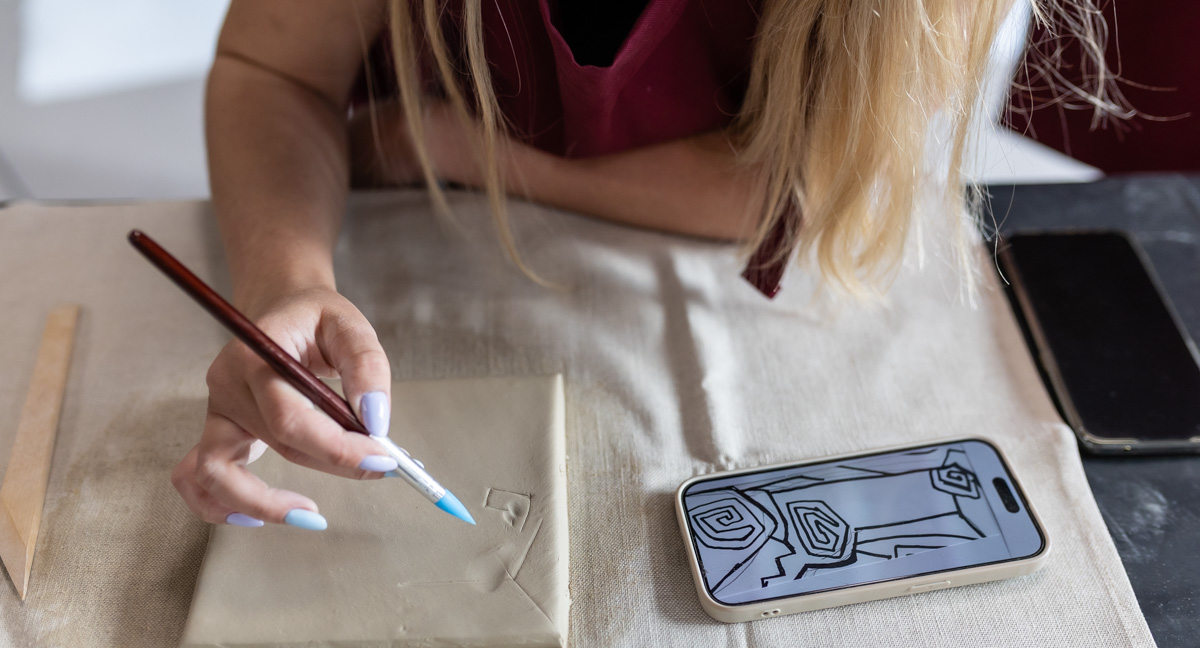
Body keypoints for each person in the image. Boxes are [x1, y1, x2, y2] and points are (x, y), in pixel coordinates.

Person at [175, 0, 1111, 529]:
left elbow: (802, 183)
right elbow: (276, 71)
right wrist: (287, 283)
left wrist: (450, 144)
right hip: (386, 224)